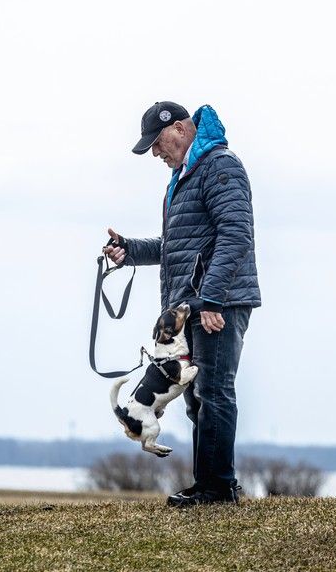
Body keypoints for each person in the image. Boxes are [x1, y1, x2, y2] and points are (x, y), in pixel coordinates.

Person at [104, 101, 260, 507]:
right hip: (192, 304)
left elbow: (236, 234)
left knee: (213, 391)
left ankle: (217, 488)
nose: (156, 153)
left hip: (216, 303)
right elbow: (175, 246)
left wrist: (211, 298)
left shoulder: (219, 166)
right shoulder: (183, 176)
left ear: (179, 128)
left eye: (157, 143)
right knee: (195, 397)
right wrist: (130, 250)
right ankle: (212, 483)